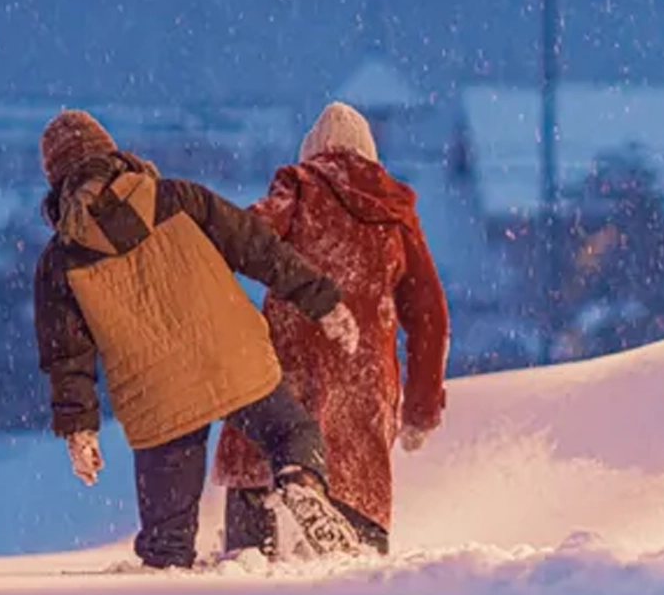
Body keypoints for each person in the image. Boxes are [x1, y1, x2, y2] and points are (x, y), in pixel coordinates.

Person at [31, 109, 367, 570]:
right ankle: (300, 482)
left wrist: (79, 429)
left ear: (55, 179)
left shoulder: (59, 261)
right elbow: (258, 249)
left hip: (158, 400)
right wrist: (322, 302)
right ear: (112, 153)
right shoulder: (177, 198)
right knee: (291, 432)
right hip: (232, 358)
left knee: (167, 548)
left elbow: (67, 354)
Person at [212, 101, 450, 559]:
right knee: (357, 544)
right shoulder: (397, 214)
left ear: (312, 152)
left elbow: (245, 234)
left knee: (256, 520)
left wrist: (189, 234)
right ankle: (354, 576)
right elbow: (429, 318)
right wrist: (421, 408)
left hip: (283, 375)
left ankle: (252, 558)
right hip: (362, 391)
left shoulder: (298, 189)